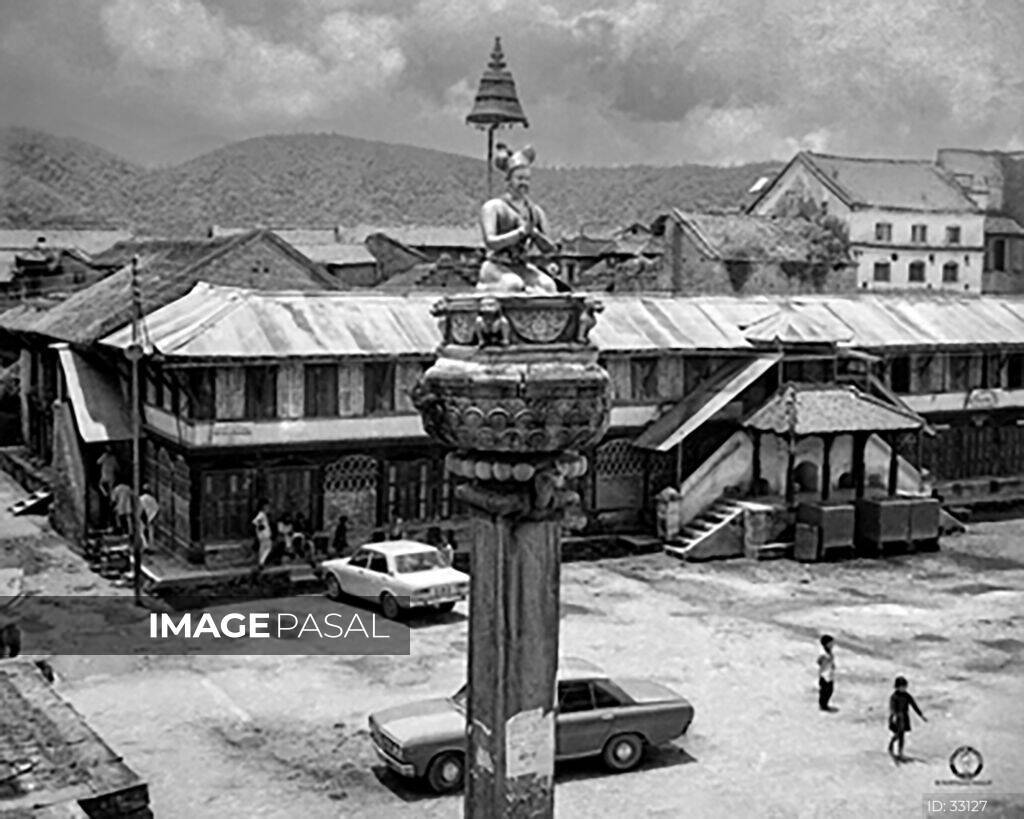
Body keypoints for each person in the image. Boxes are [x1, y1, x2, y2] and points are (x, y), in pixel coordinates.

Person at [478, 143, 561, 294]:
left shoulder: (535, 211)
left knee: (548, 286)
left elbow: (550, 249)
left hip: (522, 265)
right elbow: (491, 242)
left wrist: (535, 235)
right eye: (519, 178)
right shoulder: (494, 207)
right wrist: (520, 233)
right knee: (513, 285)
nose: (524, 183)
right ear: (509, 180)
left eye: (527, 179)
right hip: (496, 266)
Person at [888, 675, 926, 761]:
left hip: (904, 718)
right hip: (897, 718)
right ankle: (891, 744)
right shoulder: (894, 697)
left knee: (902, 736)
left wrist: (921, 715)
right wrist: (894, 716)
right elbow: (892, 708)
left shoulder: (907, 696)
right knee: (898, 734)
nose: (904, 688)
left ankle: (900, 752)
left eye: (905, 686)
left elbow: (914, 705)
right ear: (897, 687)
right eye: (902, 686)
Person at [817, 634, 836, 712]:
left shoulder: (829, 651)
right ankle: (823, 705)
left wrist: (832, 664)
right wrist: (825, 663)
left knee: (830, 690)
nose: (833, 645)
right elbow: (819, 661)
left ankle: (824, 704)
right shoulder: (823, 653)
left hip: (829, 674)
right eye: (831, 643)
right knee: (825, 690)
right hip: (824, 675)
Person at [252, 498, 273, 569]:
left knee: (262, 549)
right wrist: (260, 526)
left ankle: (261, 562)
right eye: (267, 507)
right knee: (268, 548)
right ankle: (261, 562)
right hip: (264, 535)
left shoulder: (263, 515)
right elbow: (256, 522)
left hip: (262, 535)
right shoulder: (261, 514)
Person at [138, 484, 159, 551]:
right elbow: (156, 508)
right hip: (152, 517)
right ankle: (151, 546)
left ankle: (145, 545)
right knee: (151, 532)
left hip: (144, 517)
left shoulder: (141, 498)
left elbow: (140, 509)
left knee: (140, 531)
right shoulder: (152, 499)